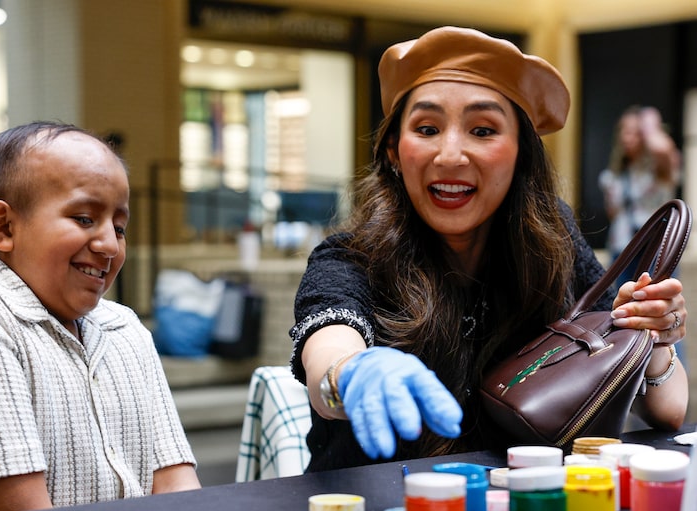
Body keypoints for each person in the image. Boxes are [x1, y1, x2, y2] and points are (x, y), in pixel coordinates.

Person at [289, 26, 689, 472]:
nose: (450, 155)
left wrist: (651, 332)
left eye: (482, 130)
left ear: (521, 154)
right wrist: (348, 375)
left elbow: (669, 412)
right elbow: (328, 353)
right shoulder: (349, 257)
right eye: (427, 128)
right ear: (393, 153)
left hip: (523, 505)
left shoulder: (555, 244)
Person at [0, 121, 201, 511]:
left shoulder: (125, 328)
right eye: (84, 218)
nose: (110, 244)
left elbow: (179, 489)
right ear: (3, 227)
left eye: (119, 227)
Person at [599, 105, 682, 285]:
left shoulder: (660, 168)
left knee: (656, 298)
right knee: (621, 300)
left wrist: (649, 122)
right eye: (624, 131)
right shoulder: (614, 174)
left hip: (657, 248)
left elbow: (661, 148)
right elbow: (612, 213)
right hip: (623, 249)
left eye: (635, 132)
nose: (627, 137)